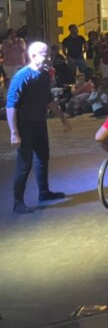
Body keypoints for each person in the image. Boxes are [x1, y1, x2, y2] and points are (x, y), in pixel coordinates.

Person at [6, 42, 71, 214]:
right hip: (24, 126)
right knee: (24, 165)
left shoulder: (44, 75)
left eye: (49, 54)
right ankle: (18, 202)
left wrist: (62, 118)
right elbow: (11, 105)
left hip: (39, 124)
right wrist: (14, 132)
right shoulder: (21, 76)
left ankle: (44, 192)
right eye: (45, 54)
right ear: (33, 56)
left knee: (43, 159)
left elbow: (48, 99)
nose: (49, 57)